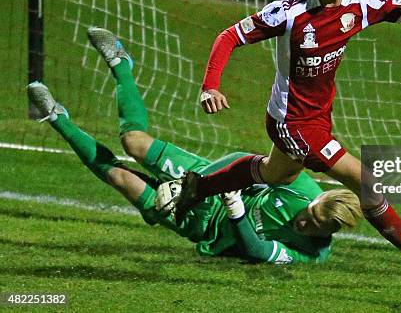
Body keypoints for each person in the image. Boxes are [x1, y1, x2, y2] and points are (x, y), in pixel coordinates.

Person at [175, 0, 401, 274]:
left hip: (317, 116)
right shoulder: (289, 12)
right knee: (367, 183)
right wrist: (211, 85)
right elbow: (229, 36)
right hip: (292, 122)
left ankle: (200, 186)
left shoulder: (362, 1)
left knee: (274, 173)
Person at [25, 27, 362, 264]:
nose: (305, 224)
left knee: (121, 179)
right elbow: (245, 159)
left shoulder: (312, 254)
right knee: (134, 142)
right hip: (211, 184)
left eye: (317, 228)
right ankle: (121, 65)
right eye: (311, 216)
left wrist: (235, 211)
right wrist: (200, 184)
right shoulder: (300, 187)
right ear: (316, 201)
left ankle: (56, 118)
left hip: (203, 226)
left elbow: (257, 251)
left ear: (331, 232)